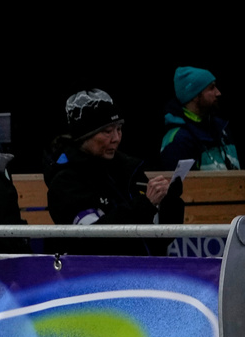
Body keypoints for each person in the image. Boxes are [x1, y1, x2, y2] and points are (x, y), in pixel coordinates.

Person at [44, 89, 183, 255]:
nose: (116, 138)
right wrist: (144, 205)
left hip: (147, 272)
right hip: (97, 276)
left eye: (119, 129)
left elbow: (161, 236)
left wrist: (169, 203)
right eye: (107, 131)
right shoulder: (66, 181)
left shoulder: (129, 169)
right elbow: (93, 240)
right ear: (84, 136)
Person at [160, 66, 239, 171]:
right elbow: (180, 185)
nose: (218, 93)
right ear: (195, 95)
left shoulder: (222, 129)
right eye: (211, 88)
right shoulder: (178, 139)